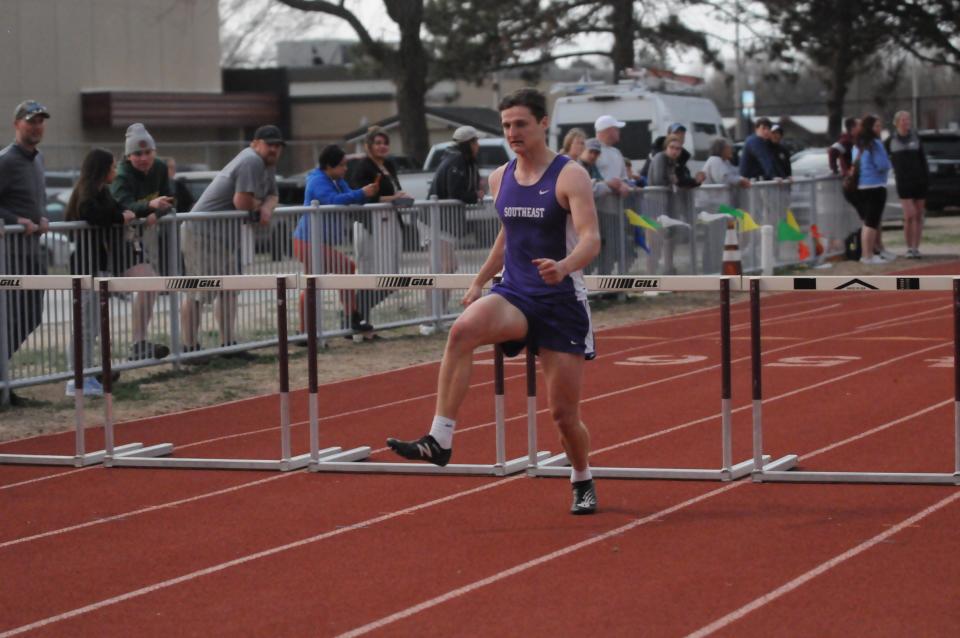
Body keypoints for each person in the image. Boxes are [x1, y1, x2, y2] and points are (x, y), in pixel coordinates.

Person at [386, 88, 602, 515]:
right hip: (516, 293)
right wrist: (480, 281)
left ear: (543, 124)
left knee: (563, 417)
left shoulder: (570, 175)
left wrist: (563, 265)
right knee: (463, 329)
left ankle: (582, 477)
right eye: (506, 126)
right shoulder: (499, 177)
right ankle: (440, 438)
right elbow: (507, 235)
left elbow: (592, 238)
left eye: (520, 124)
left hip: (560, 301)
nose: (512, 133)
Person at [64, 148, 167, 395]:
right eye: (111, 167)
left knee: (93, 325)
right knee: (84, 326)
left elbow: (122, 207)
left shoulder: (103, 192)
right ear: (101, 170)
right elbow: (93, 213)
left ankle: (88, 375)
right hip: (86, 267)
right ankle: (77, 380)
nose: (114, 171)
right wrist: (120, 217)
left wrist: (145, 210)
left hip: (99, 265)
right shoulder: (87, 194)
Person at [179, 125, 283, 356]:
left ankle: (229, 344)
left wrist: (266, 207)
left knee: (229, 290)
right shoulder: (251, 161)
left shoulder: (267, 165)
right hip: (202, 234)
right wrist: (260, 206)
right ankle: (189, 348)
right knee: (199, 292)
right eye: (269, 144)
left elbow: (274, 195)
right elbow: (242, 202)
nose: (274, 149)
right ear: (254, 143)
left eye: (278, 145)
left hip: (225, 238)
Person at [293, 144, 379, 338]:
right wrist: (361, 193)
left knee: (313, 283)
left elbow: (349, 197)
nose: (345, 169)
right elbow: (334, 200)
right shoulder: (317, 181)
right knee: (343, 269)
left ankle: (306, 330)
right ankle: (349, 316)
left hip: (313, 241)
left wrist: (365, 194)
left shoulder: (337, 180)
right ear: (329, 166)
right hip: (307, 241)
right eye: (342, 165)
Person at [0, 101, 51, 406]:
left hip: (32, 252)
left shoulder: (38, 159)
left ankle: (3, 381)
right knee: (8, 319)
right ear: (17, 124)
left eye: (41, 121)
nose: (36, 126)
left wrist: (42, 217)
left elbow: (36, 200)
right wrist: (13, 220)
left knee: (30, 317)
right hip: (9, 255)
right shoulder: (6, 160)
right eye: (31, 121)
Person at [110, 123, 173, 360]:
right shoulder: (121, 175)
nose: (144, 158)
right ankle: (88, 367)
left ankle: (138, 342)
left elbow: (170, 199)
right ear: (128, 156)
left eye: (148, 152)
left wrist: (156, 214)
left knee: (151, 285)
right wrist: (149, 207)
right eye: (138, 154)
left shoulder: (159, 168)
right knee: (93, 303)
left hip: (132, 240)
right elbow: (123, 206)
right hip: (107, 240)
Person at [421, 125, 484, 335]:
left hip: (445, 222)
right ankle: (430, 318)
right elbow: (454, 192)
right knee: (442, 267)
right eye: (475, 142)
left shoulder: (464, 162)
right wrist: (475, 195)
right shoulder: (456, 160)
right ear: (467, 144)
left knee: (448, 266)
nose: (478, 146)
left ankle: (439, 313)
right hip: (436, 221)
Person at [593, 114, 633, 274]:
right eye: (616, 129)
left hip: (615, 209)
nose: (618, 133)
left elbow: (624, 178)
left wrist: (624, 185)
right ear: (608, 131)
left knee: (614, 248)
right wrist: (610, 186)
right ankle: (596, 286)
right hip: (597, 210)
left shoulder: (616, 152)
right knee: (599, 248)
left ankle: (610, 284)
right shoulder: (593, 150)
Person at [886, 111, 929, 258]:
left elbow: (923, 159)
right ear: (897, 122)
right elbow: (882, 158)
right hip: (903, 182)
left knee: (918, 215)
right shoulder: (890, 140)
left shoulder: (916, 138)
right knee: (909, 215)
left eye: (908, 119)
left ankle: (916, 248)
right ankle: (909, 248)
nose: (906, 122)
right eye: (903, 120)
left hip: (920, 181)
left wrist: (926, 178)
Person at [852, 114, 892, 264]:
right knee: (872, 222)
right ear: (870, 127)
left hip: (861, 186)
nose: (879, 128)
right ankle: (867, 255)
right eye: (876, 126)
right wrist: (888, 164)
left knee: (867, 222)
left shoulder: (858, 144)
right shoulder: (875, 143)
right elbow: (882, 165)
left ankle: (867, 254)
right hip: (875, 185)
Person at [829, 117, 862, 212]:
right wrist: (835, 169)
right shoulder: (846, 141)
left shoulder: (856, 140)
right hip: (851, 180)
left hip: (858, 178)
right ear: (853, 128)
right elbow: (832, 151)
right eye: (859, 125)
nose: (862, 127)